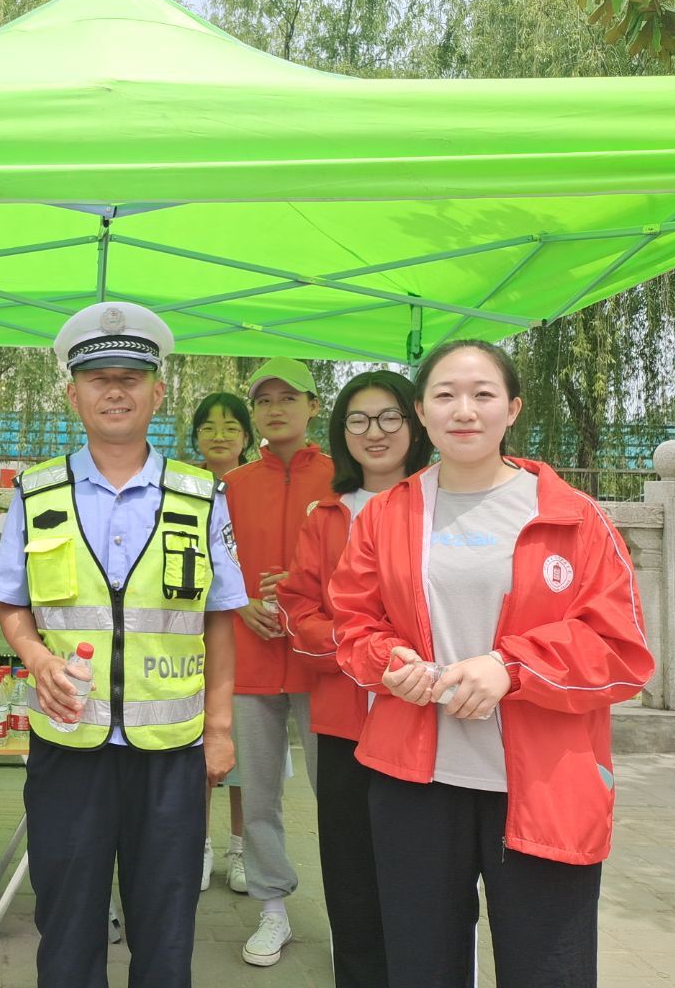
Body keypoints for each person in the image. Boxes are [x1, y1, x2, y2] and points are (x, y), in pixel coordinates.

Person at [329, 340, 654, 988]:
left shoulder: (573, 517)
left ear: (513, 408)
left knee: (547, 968)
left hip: (544, 785)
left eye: (483, 394)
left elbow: (621, 650)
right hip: (414, 784)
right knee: (420, 967)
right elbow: (353, 623)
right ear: (422, 412)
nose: (464, 410)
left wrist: (512, 668)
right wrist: (388, 661)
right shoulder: (388, 515)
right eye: (445, 395)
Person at [0, 302, 247, 988]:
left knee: (166, 920)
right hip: (69, 741)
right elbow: (12, 603)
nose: (114, 391)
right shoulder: (37, 492)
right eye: (98, 378)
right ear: (73, 395)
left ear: (157, 394)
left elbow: (221, 618)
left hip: (173, 750)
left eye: (130, 378)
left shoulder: (199, 494)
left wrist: (221, 730)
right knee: (66, 917)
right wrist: (36, 657)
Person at [276, 371, 431, 988]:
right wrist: (356, 649)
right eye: (359, 420)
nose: (375, 432)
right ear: (342, 432)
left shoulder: (442, 504)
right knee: (350, 868)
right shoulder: (327, 514)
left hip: (427, 719)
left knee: (424, 871)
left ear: (416, 424)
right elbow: (298, 605)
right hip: (345, 721)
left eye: (390, 417)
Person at [222, 356, 333, 968]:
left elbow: (369, 566)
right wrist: (241, 602)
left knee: (336, 794)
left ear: (314, 406)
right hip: (252, 657)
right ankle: (272, 908)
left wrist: (305, 587)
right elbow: (213, 562)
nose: (275, 409)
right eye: (264, 400)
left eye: (289, 397)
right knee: (258, 792)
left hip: (324, 662)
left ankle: (351, 913)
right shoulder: (234, 486)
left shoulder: (343, 478)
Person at [189, 391, 254, 893]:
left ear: (247, 437)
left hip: (252, 635)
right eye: (208, 427)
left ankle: (240, 849)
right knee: (200, 751)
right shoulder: (183, 487)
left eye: (231, 427)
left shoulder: (257, 486)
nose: (219, 436)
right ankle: (201, 845)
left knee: (245, 754)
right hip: (196, 634)